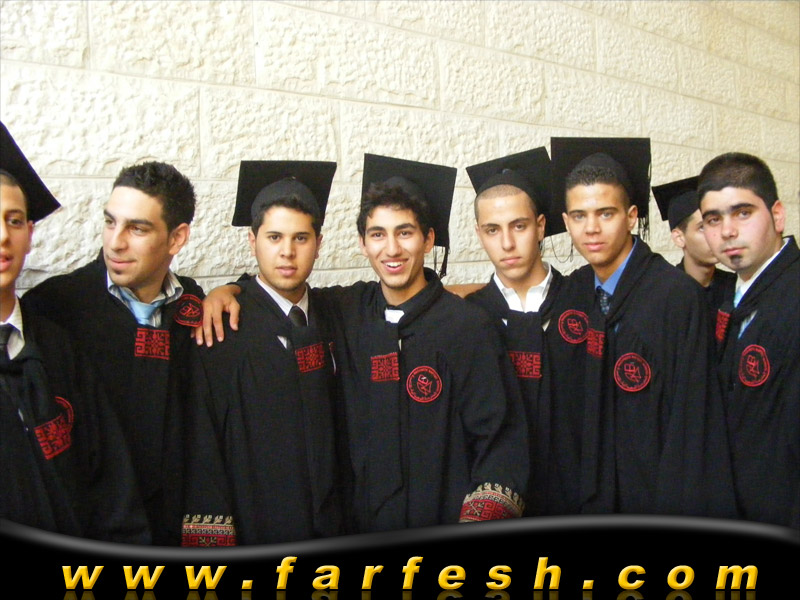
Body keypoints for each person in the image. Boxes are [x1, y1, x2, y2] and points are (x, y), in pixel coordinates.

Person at [198, 154, 529, 533]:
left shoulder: (468, 327)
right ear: (363, 243)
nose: (392, 249)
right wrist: (231, 290)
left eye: (405, 232)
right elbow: (282, 294)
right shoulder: (347, 311)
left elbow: (500, 440)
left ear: (428, 239)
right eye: (378, 234)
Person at [547, 136, 736, 517]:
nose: (591, 229)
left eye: (606, 214)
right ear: (566, 222)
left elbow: (693, 420)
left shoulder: (676, 297)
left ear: (632, 216)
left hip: (655, 498)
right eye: (579, 216)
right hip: (585, 498)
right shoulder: (573, 295)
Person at [21, 159, 204, 545]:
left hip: (176, 526)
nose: (115, 242)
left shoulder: (192, 305)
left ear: (176, 238)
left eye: (137, 228)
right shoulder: (54, 309)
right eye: (110, 222)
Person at [181, 161, 346, 546]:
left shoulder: (338, 315)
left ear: (319, 244)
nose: (287, 252)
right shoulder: (222, 328)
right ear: (252, 241)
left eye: (301, 238)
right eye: (274, 237)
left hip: (335, 522)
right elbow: (202, 444)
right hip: (258, 523)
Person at [1, 122, 149, 543]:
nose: (2, 236)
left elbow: (111, 484)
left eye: (14, 220)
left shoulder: (57, 348)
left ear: (30, 234)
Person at [698, 152, 799, 530]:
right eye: (713, 219)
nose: (727, 231)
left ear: (777, 215)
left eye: (743, 213)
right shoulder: (732, 300)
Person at [463, 147, 564, 516]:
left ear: (540, 226)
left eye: (519, 226)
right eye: (493, 230)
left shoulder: (580, 305)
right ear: (480, 234)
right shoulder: (467, 318)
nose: (507, 243)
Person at [652, 175, 736, 320]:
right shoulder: (663, 293)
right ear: (679, 238)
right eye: (702, 227)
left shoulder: (735, 287)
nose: (716, 234)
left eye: (715, 223)